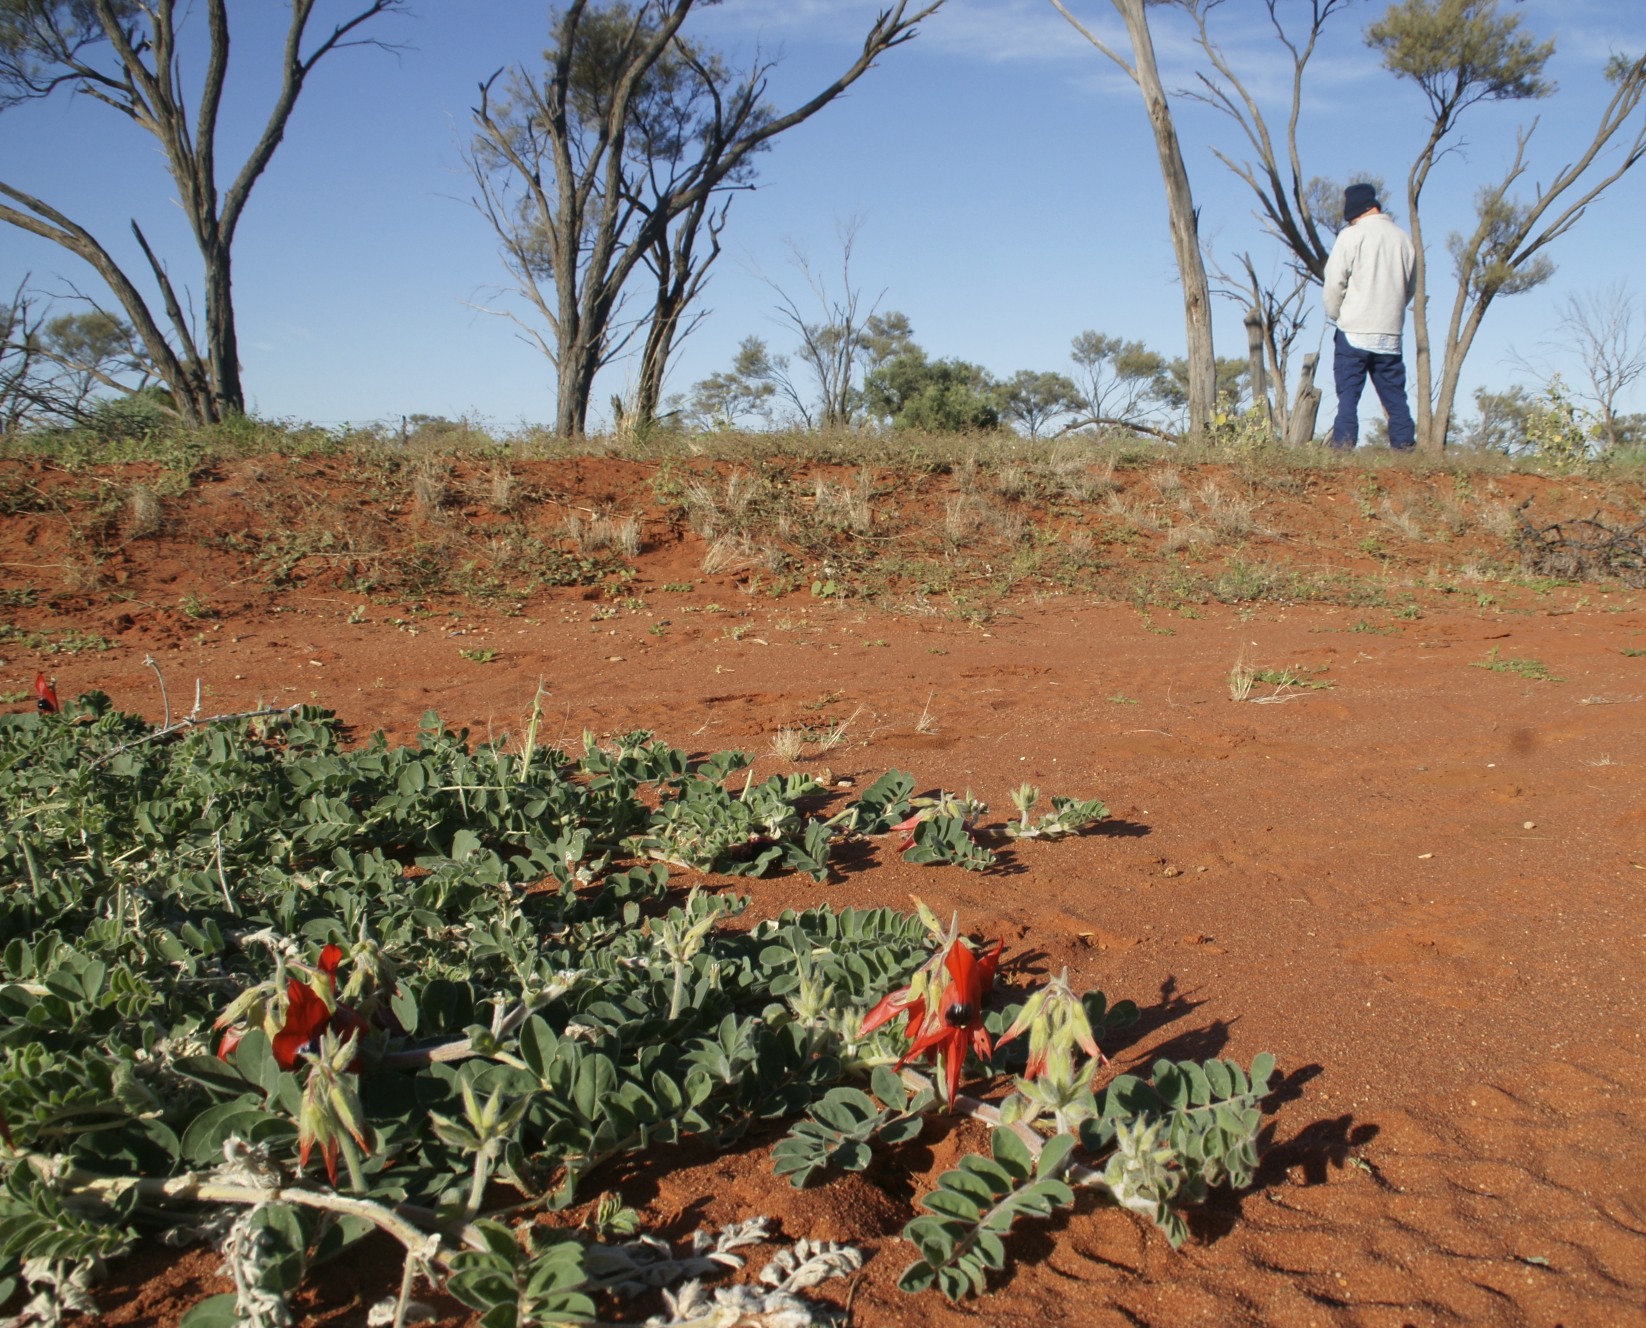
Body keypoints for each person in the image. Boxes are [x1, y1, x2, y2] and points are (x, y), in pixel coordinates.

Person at [1323, 182, 1417, 450]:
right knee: (1395, 398)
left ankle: (1342, 450)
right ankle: (1405, 450)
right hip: (1390, 333)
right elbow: (1410, 286)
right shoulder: (1403, 238)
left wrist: (1336, 315)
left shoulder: (1351, 236)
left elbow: (1333, 283)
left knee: (1348, 397)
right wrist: (1392, 310)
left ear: (1354, 211)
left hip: (1353, 330)